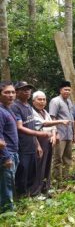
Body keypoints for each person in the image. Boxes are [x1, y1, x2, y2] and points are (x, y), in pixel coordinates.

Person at [11, 81, 49, 196]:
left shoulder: (28, 106)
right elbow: (20, 128)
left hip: (31, 145)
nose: (27, 91)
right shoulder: (15, 107)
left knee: (32, 172)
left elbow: (31, 125)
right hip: (21, 146)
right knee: (22, 172)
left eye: (28, 89)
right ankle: (21, 197)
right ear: (16, 92)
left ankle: (30, 194)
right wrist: (40, 134)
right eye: (23, 89)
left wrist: (37, 144)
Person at [30, 91, 70, 196]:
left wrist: (53, 135)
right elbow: (43, 123)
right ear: (33, 101)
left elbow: (52, 126)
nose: (42, 102)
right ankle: (36, 191)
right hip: (39, 140)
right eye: (39, 99)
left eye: (44, 99)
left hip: (48, 141)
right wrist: (61, 121)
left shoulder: (45, 112)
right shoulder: (31, 112)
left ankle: (45, 187)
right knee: (39, 166)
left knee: (48, 164)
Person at [49, 81, 74, 181]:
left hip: (68, 134)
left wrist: (73, 134)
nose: (67, 91)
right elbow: (52, 117)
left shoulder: (69, 101)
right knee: (58, 157)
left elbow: (71, 118)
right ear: (60, 90)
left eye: (69, 90)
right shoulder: (55, 101)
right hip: (60, 133)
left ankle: (66, 178)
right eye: (65, 89)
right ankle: (57, 180)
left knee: (67, 158)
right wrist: (55, 133)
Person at [0, 81, 19, 212]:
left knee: (9, 183)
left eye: (13, 92)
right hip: (6, 155)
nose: (11, 95)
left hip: (13, 153)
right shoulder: (0, 111)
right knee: (6, 185)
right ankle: (7, 212)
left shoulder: (8, 109)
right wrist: (6, 157)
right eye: (7, 92)